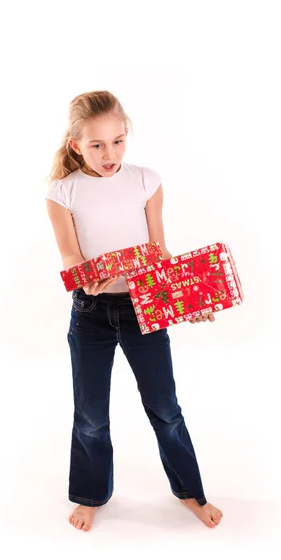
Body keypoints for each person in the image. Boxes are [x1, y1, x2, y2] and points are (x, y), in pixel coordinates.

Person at [45, 90, 223, 532]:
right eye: (97, 145)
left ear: (128, 136)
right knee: (90, 413)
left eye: (118, 141)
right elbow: (69, 255)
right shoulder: (61, 191)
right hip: (90, 310)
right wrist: (84, 276)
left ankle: (189, 492)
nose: (111, 154)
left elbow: (158, 250)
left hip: (145, 306)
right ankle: (90, 495)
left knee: (165, 406)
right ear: (76, 146)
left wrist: (189, 298)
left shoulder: (147, 180)